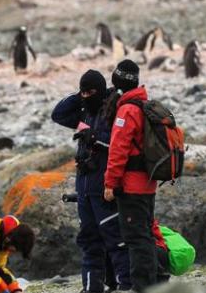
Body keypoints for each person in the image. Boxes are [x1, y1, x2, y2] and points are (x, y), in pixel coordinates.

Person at [52, 70, 132, 292]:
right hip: (85, 189)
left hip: (104, 188)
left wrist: (97, 140)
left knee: (116, 242)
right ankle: (92, 288)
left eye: (90, 91)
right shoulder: (84, 114)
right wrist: (80, 97)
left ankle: (125, 287)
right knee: (89, 244)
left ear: (101, 90)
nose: (87, 96)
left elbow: (120, 146)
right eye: (83, 92)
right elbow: (58, 114)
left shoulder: (113, 112)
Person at [103, 60, 158, 292]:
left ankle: (142, 287)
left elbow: (118, 151)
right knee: (146, 235)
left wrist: (110, 184)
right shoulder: (145, 105)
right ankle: (153, 283)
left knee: (136, 239)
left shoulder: (127, 110)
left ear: (118, 81)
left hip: (132, 186)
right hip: (148, 183)